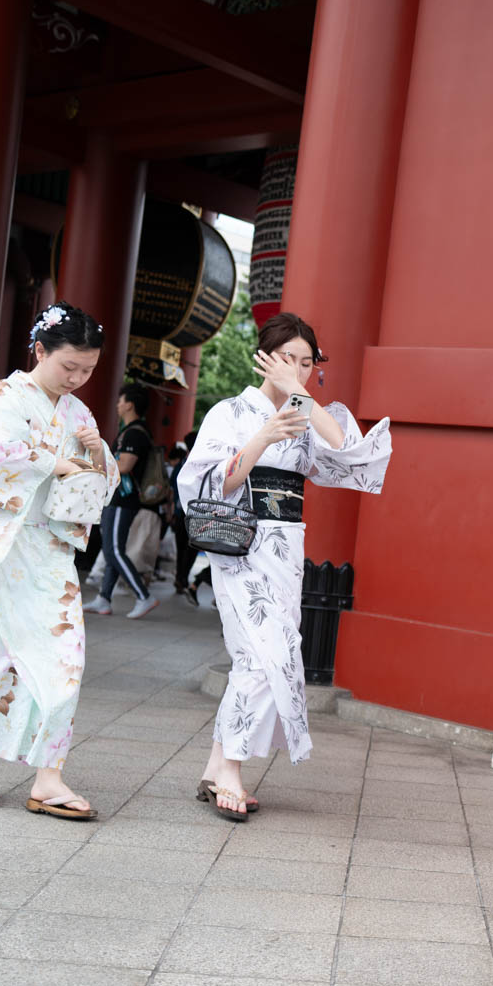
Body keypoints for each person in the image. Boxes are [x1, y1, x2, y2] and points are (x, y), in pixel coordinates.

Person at [176, 313, 392, 821]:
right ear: (264, 358)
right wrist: (264, 436)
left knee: (278, 651)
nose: (296, 369)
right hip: (240, 545)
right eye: (286, 359)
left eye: (307, 362)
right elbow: (207, 486)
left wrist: (301, 397)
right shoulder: (230, 412)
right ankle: (229, 769)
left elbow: (351, 452)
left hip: (286, 548)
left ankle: (214, 766)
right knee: (258, 655)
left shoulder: (307, 413)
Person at [0, 302, 114, 816]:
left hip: (50, 550)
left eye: (88, 370)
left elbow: (96, 481)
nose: (78, 379)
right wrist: (53, 461)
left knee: (64, 658)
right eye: (69, 367)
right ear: (40, 350)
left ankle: (49, 777)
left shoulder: (78, 413)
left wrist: (96, 455)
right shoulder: (5, 396)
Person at [84, 383, 161, 619]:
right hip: (118, 498)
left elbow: (125, 466)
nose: (117, 404)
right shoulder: (133, 430)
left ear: (129, 404)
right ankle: (104, 598)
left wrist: (96, 465)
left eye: (120, 400)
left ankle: (143, 596)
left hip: (123, 499)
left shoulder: (135, 432)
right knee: (111, 550)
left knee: (115, 550)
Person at [165, 440, 195, 601]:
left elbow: (171, 489)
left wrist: (170, 511)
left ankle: (181, 577)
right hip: (189, 512)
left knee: (184, 547)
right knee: (189, 548)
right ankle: (182, 577)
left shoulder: (180, 465)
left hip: (181, 511)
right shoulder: (197, 463)